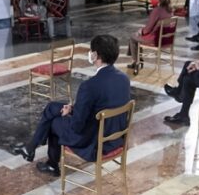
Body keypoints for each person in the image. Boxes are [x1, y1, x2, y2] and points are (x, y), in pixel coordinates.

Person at [12, 35, 131, 176]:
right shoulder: (124, 79)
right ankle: (32, 149)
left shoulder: (89, 86)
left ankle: (47, 161)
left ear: (95, 55)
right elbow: (103, 106)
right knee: (53, 107)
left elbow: (77, 126)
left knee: (54, 121)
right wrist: (73, 109)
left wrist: (69, 114)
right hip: (115, 139)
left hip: (94, 143)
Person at [127, 0, 175, 74]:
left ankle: (136, 62)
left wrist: (140, 31)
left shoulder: (157, 10)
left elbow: (147, 29)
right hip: (167, 40)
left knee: (133, 37)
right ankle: (137, 60)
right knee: (136, 36)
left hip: (155, 39)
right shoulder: (170, 10)